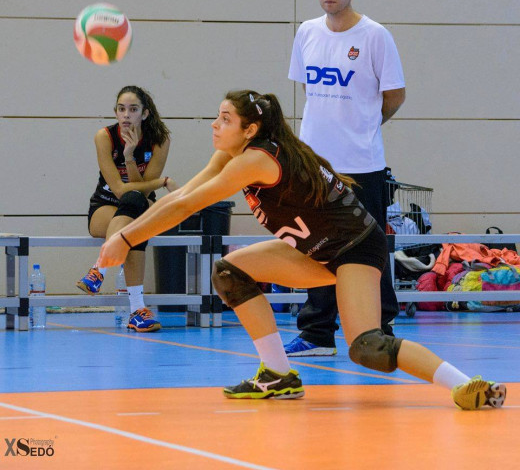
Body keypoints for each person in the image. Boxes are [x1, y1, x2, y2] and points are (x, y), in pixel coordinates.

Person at [96, 90, 506, 410]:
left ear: (251, 129)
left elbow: (188, 206)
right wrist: (128, 232)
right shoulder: (232, 154)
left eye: (225, 119)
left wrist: (126, 238)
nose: (214, 125)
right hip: (317, 250)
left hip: (357, 249)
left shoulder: (254, 160)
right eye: (217, 117)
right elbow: (182, 194)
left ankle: (468, 385)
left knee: (367, 346)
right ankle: (278, 374)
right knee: (229, 272)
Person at [285, 0, 405, 356]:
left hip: (362, 166)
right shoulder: (306, 32)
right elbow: (309, 91)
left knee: (368, 248)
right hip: (315, 166)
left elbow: (394, 96)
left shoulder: (375, 36)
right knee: (316, 249)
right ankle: (317, 333)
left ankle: (378, 328)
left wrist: (365, 125)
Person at [76, 85, 177, 332]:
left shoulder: (159, 140)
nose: (126, 115)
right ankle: (137, 309)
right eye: (121, 109)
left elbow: (140, 189)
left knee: (137, 210)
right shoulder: (104, 137)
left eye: (133, 109)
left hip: (138, 205)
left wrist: (130, 156)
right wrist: (164, 182)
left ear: (144, 114)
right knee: (136, 218)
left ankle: (98, 270)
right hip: (105, 207)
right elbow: (120, 191)